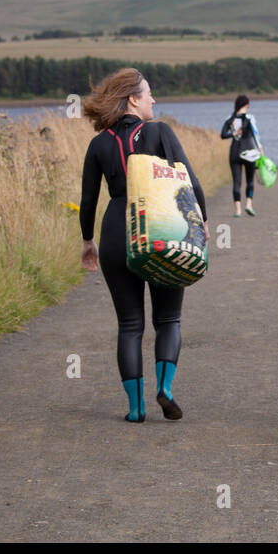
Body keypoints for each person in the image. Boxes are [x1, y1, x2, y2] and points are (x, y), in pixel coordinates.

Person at [80, 67, 207, 423]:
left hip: (116, 232)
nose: (154, 99)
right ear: (133, 99)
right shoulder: (159, 131)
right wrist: (203, 222)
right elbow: (190, 180)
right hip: (162, 227)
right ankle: (164, 390)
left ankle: (135, 409)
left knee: (130, 324)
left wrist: (88, 241)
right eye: (149, 93)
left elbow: (88, 200)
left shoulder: (99, 144)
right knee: (168, 318)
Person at [220, 94, 261, 217]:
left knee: (236, 182)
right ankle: (248, 204)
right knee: (249, 180)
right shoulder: (250, 118)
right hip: (249, 152)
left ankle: (238, 210)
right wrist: (261, 150)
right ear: (246, 105)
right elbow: (256, 135)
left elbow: (222, 135)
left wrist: (233, 133)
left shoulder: (230, 118)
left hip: (235, 152)